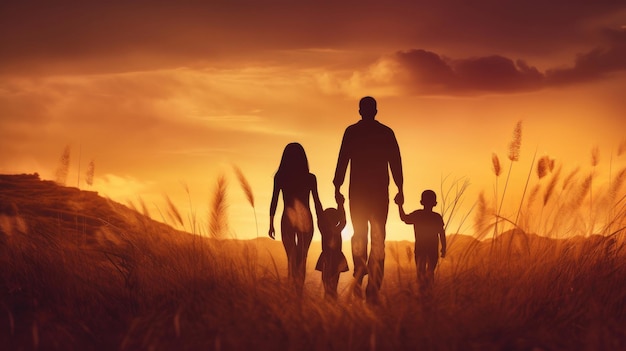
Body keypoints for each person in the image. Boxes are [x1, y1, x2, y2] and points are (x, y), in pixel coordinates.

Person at [333, 96, 404, 303]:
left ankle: (361, 271)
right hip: (378, 193)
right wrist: (400, 188)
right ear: (375, 111)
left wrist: (337, 187)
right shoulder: (385, 133)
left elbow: (342, 160)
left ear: (360, 111)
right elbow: (396, 162)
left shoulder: (352, 132)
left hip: (360, 193)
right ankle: (372, 282)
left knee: (361, 234)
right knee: (376, 237)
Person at [269, 143, 323, 295]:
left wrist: (271, 223)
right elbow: (317, 201)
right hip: (306, 221)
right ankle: (298, 291)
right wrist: (321, 221)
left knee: (291, 258)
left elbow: (274, 200)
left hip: (287, 220)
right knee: (302, 257)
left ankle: (292, 291)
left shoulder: (280, 177)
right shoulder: (310, 178)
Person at [396, 189, 446, 292]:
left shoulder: (418, 215)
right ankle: (428, 294)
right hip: (432, 249)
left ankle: (423, 294)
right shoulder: (436, 217)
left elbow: (404, 218)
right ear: (435, 203)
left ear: (421, 202)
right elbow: (441, 233)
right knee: (430, 272)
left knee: (421, 273)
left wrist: (399, 206)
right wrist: (443, 248)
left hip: (420, 248)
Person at [315, 194, 349, 300]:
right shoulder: (337, 230)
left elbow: (319, 217)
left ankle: (329, 302)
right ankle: (332, 301)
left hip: (326, 258)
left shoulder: (324, 230)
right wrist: (341, 205)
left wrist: (340, 205)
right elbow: (343, 220)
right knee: (333, 285)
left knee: (327, 285)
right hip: (336, 258)